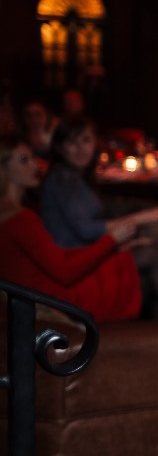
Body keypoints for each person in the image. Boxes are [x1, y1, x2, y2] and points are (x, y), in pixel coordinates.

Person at [39, 115, 158, 320]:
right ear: (60, 147)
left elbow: (101, 216)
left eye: (85, 140)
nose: (80, 148)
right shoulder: (62, 179)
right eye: (71, 142)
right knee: (152, 256)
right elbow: (86, 230)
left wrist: (122, 243)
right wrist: (139, 219)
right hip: (76, 271)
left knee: (153, 274)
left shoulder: (74, 177)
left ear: (95, 143)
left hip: (85, 260)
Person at [0, 135, 144, 322]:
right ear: (3, 168)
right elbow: (65, 272)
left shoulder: (12, 211)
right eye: (24, 160)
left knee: (134, 259)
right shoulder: (19, 217)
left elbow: (55, 257)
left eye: (32, 158)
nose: (35, 166)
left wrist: (112, 248)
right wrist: (112, 240)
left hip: (39, 295)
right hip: (53, 302)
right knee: (145, 262)